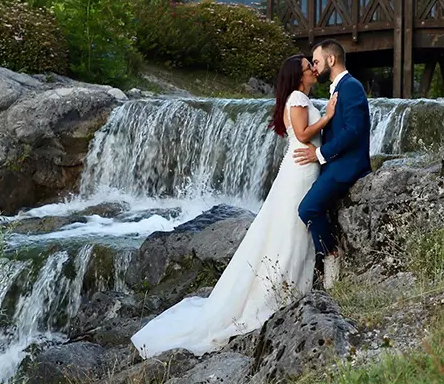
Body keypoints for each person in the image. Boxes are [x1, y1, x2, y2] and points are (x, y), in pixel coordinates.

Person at [132, 55, 334, 358]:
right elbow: (304, 135)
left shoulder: (300, 97)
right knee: (290, 229)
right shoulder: (296, 97)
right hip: (299, 170)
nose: (314, 70)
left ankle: (291, 285)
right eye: (309, 67)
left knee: (291, 228)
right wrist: (329, 115)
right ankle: (282, 290)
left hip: (303, 167)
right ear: (298, 75)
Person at [292, 39, 371, 288]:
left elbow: (353, 131)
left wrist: (320, 154)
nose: (314, 68)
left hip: (347, 166)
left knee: (308, 209)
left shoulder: (351, 87)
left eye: (316, 62)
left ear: (331, 60)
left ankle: (332, 257)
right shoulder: (339, 88)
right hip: (335, 165)